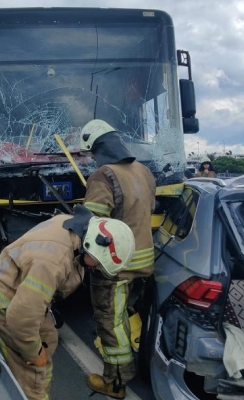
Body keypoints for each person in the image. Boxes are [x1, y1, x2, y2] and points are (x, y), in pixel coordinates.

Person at [0, 205, 136, 400]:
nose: (97, 268)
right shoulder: (52, 262)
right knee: (34, 373)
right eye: (98, 262)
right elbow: (21, 319)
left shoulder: (75, 228)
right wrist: (35, 355)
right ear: (91, 245)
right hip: (6, 300)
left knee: (48, 339)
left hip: (16, 288)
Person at [80, 119, 156, 398]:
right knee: (124, 315)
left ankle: (116, 381)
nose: (91, 159)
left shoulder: (103, 175)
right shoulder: (144, 171)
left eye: (90, 153)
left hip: (115, 265)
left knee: (110, 322)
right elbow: (148, 209)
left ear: (97, 149)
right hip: (144, 259)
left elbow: (96, 223)